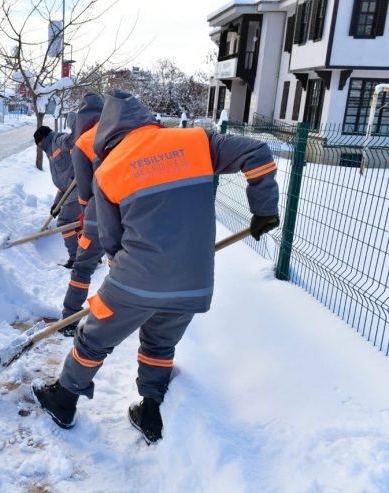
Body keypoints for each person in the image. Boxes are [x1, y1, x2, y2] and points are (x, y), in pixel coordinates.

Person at [33, 90, 280, 445]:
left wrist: (125, 283)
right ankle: (150, 409)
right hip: (194, 282)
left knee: (93, 339)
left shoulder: (110, 170)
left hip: (137, 278)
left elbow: (112, 241)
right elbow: (256, 152)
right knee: (160, 345)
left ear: (108, 133)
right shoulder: (195, 140)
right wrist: (264, 209)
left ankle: (64, 398)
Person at [58, 92, 105, 338]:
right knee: (119, 267)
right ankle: (108, 322)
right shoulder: (116, 129)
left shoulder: (82, 140)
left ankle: (68, 320)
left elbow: (84, 192)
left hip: (99, 210)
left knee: (82, 267)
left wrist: (87, 215)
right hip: (130, 208)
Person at [33, 115, 80, 269]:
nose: (40, 146)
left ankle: (76, 259)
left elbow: (71, 140)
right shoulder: (49, 151)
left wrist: (78, 127)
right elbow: (62, 183)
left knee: (65, 222)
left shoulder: (57, 141)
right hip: (68, 191)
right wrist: (56, 203)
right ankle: (87, 255)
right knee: (75, 223)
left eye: (39, 143)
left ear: (44, 138)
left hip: (79, 188)